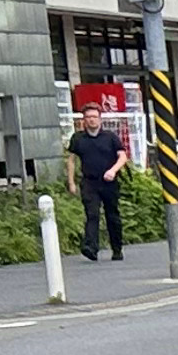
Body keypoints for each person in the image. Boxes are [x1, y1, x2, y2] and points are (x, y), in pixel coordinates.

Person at [66, 104, 131, 260]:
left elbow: (122, 156)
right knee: (92, 214)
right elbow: (71, 161)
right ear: (84, 120)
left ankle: (117, 248)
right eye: (88, 117)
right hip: (89, 181)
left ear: (100, 119)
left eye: (94, 117)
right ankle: (91, 247)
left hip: (109, 182)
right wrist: (71, 182)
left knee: (112, 215)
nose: (92, 120)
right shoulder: (78, 139)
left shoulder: (110, 137)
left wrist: (113, 170)